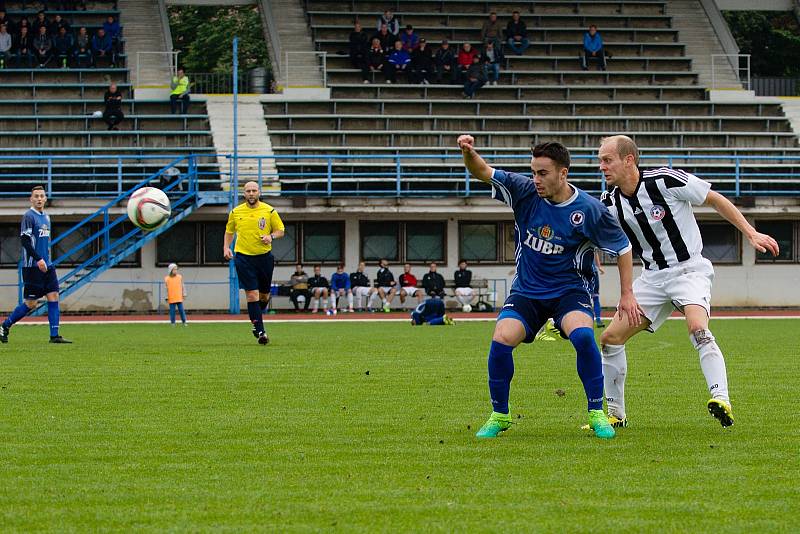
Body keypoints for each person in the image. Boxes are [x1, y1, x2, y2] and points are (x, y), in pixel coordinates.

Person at [457, 134, 641, 440]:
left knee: (583, 336)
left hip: (569, 291)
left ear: (562, 173)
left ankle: (597, 412)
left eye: (543, 173)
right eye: (533, 172)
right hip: (528, 291)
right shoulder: (524, 191)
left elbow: (622, 247)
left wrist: (626, 293)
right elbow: (482, 171)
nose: (536, 179)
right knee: (502, 337)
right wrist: (468, 152)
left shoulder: (590, 209)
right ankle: (500, 415)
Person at [595, 135, 780, 429]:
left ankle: (721, 398)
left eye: (607, 160)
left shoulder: (664, 180)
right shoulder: (610, 202)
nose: (601, 167)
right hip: (652, 278)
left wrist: (750, 232)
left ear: (628, 160)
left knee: (697, 327)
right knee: (610, 339)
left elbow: (715, 199)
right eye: (600, 160)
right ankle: (616, 415)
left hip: (689, 270)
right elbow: (600, 236)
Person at [0, 186, 72, 344]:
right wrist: (38, 259)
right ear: (31, 199)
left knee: (53, 296)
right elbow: (25, 241)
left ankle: (54, 336)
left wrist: (46, 260)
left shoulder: (46, 217)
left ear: (45, 198)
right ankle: (5, 325)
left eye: (42, 196)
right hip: (32, 266)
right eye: (36, 196)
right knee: (31, 303)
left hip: (48, 266)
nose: (39, 198)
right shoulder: (28, 216)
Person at [223, 181, 285, 345]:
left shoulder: (269, 210)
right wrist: (226, 247)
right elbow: (229, 231)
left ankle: (256, 318)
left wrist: (270, 237)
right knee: (252, 295)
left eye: (254, 190)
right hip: (243, 258)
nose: (251, 193)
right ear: (244, 193)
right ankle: (260, 331)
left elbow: (280, 230)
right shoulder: (236, 212)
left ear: (259, 192)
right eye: (248, 191)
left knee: (264, 296)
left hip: (264, 258)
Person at [591, 249, 604, 328]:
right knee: (584, 297)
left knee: (595, 296)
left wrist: (599, 266)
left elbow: (595, 253)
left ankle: (598, 320)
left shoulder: (592, 240)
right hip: (584, 272)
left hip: (593, 272)